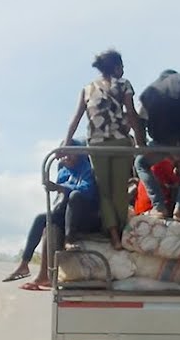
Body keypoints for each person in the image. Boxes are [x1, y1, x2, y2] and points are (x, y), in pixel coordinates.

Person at [62, 49, 144, 250]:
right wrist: (141, 142)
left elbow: (76, 119)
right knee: (120, 191)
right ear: (115, 67)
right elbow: (131, 114)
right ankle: (121, 232)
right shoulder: (124, 84)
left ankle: (113, 235)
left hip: (97, 145)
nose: (123, 70)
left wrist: (65, 145)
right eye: (121, 66)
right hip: (120, 143)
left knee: (104, 192)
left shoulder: (87, 89)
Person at [4, 140, 101, 290]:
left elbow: (86, 191)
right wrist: (55, 190)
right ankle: (25, 265)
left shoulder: (87, 168)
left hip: (84, 216)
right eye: (64, 155)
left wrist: (60, 188)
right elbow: (59, 196)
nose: (67, 158)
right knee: (42, 219)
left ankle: (69, 239)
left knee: (75, 195)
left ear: (78, 154)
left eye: (70, 154)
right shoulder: (63, 171)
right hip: (65, 213)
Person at [135, 70, 180, 220]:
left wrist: (142, 145)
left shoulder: (151, 91)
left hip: (163, 141)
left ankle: (159, 207)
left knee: (141, 163)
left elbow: (139, 120)